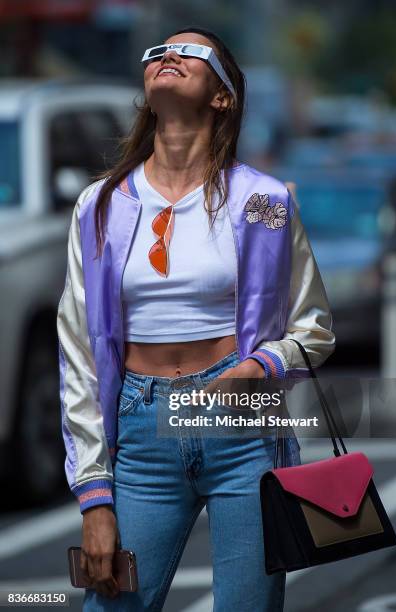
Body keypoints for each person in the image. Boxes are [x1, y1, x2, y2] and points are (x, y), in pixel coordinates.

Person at [57, 25, 335, 611]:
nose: (169, 57)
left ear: (222, 96)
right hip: (138, 427)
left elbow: (313, 327)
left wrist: (260, 365)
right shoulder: (100, 204)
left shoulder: (262, 201)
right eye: (158, 51)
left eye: (190, 52)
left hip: (243, 426)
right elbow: (79, 349)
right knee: (110, 605)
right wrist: (93, 495)